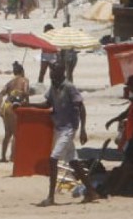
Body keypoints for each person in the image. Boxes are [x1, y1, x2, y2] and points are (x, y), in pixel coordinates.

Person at [31, 63, 98, 206]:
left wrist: (83, 129)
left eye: (53, 70)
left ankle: (50, 197)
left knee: (53, 159)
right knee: (74, 162)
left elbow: (81, 107)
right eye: (50, 71)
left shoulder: (69, 87)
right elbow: (47, 104)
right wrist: (28, 104)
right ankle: (92, 192)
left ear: (61, 72)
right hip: (59, 128)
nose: (50, 73)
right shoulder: (53, 87)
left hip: (69, 128)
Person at [0, 61, 30, 163]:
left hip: (6, 106)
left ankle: (3, 157)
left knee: (7, 133)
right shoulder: (25, 80)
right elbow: (25, 92)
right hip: (14, 107)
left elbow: (0, 94)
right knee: (16, 133)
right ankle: (13, 157)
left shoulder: (10, 82)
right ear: (23, 71)